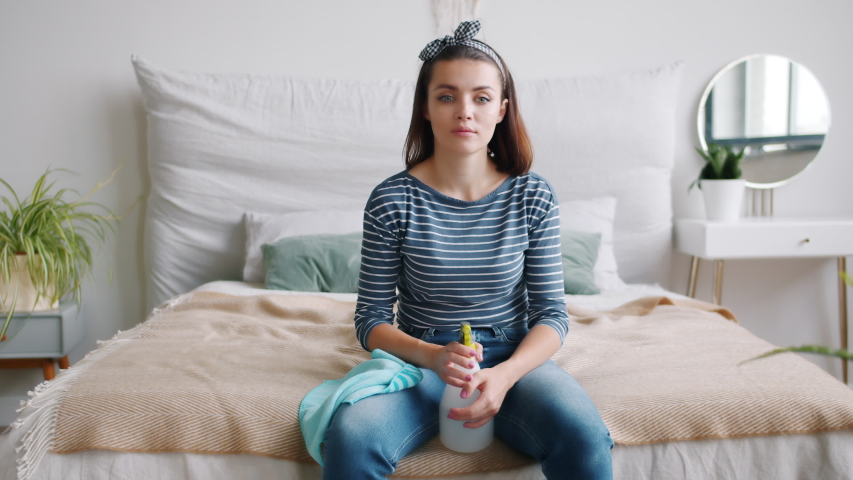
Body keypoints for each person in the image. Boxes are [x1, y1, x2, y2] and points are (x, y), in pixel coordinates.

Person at [322, 20, 613, 480]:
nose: (464, 111)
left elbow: (552, 314)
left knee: (584, 435)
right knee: (351, 437)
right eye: (446, 96)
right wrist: (433, 356)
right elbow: (370, 320)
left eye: (480, 97)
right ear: (425, 108)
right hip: (424, 360)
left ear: (501, 108)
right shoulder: (391, 200)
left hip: (513, 360)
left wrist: (506, 375)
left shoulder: (532, 196)